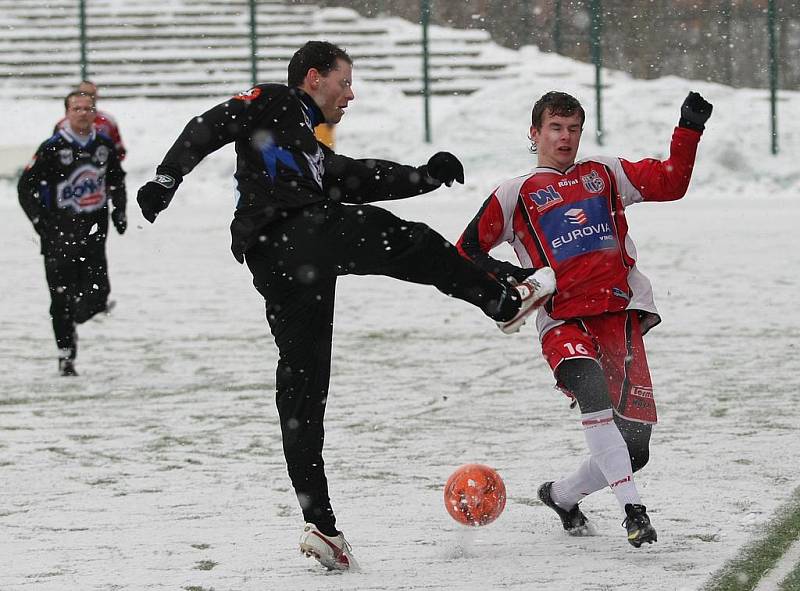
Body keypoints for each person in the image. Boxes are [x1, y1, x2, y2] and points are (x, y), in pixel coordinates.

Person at [135, 40, 554, 570]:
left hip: (283, 264)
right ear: (314, 78)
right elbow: (209, 124)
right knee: (411, 242)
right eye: (345, 82)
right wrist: (166, 179)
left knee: (304, 389)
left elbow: (355, 176)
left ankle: (322, 526)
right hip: (293, 235)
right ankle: (500, 300)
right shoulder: (275, 101)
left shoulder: (309, 150)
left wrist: (424, 175)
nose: (350, 94)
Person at [457, 90, 712, 547]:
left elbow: (672, 182)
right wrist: (512, 276)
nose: (565, 138)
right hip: (564, 322)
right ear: (534, 134)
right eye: (555, 128)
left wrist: (688, 130)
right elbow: (466, 251)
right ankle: (634, 511)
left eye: (573, 129)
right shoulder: (515, 192)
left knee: (635, 450)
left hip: (619, 318)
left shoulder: (605, 173)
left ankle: (561, 495)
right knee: (591, 391)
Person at [19, 90, 127, 377]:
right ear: (66, 113)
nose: (82, 113)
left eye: (88, 108)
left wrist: (120, 210)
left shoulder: (103, 145)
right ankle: (65, 356)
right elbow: (25, 187)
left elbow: (117, 180)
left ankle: (75, 319)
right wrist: (40, 222)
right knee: (60, 298)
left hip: (93, 233)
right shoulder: (53, 147)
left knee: (99, 295)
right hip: (59, 236)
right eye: (76, 108)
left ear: (95, 112)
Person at [55, 80, 127, 161]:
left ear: (97, 96)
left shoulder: (108, 121)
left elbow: (119, 150)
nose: (87, 97)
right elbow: (51, 152)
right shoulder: (63, 124)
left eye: (91, 94)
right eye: (83, 93)